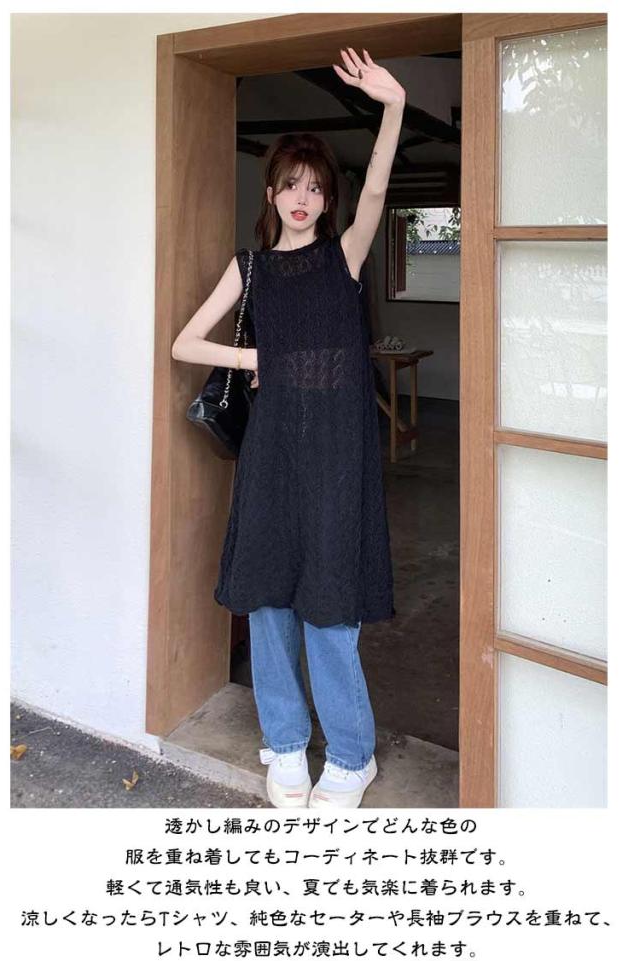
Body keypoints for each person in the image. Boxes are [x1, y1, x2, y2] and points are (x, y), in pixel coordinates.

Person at [172, 47, 406, 808]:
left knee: (330, 606)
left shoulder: (345, 257)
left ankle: (353, 754)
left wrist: (393, 106)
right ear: (271, 191)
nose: (302, 197)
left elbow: (378, 187)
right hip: (271, 456)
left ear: (327, 199)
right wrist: (255, 356)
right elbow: (184, 344)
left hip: (337, 460)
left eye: (315, 187)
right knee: (269, 601)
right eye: (291, 184)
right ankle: (283, 743)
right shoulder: (250, 269)